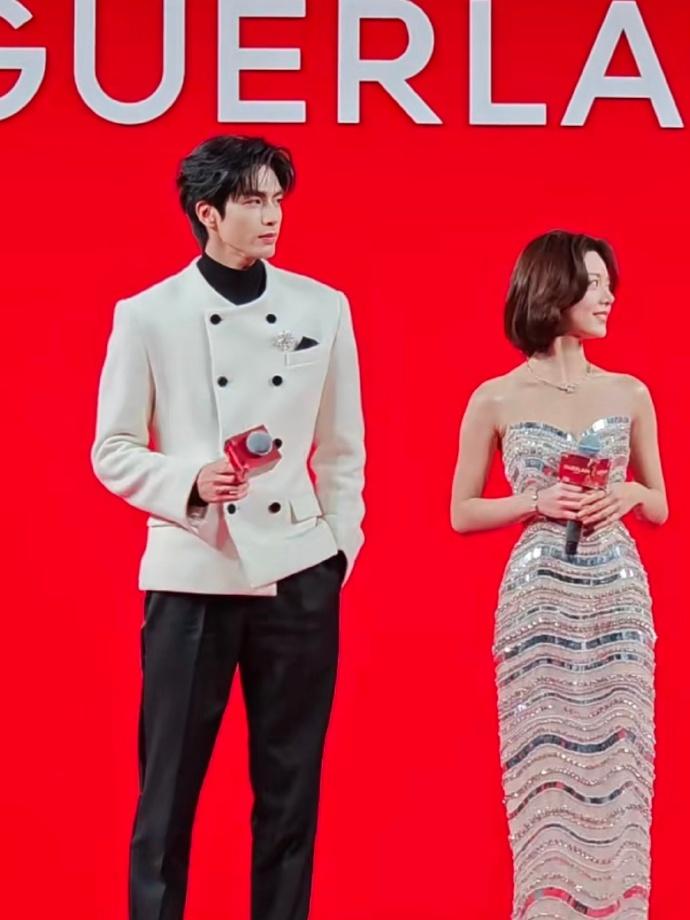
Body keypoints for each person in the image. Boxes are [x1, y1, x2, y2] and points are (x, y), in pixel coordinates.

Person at [91, 135, 365, 920]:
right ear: (208, 213)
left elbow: (343, 449)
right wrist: (187, 480)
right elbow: (111, 448)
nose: (272, 215)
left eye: (277, 199)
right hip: (192, 574)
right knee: (167, 795)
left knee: (290, 796)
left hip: (298, 573)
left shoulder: (322, 307)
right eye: (252, 200)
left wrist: (336, 550)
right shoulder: (149, 315)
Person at [450, 230, 668, 919]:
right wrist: (535, 501)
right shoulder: (496, 398)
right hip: (537, 600)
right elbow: (461, 512)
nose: (607, 297)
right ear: (553, 288)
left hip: (618, 598)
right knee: (542, 775)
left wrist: (628, 493)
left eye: (608, 284)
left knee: (621, 771)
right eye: (593, 283)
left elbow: (661, 504)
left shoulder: (629, 392)